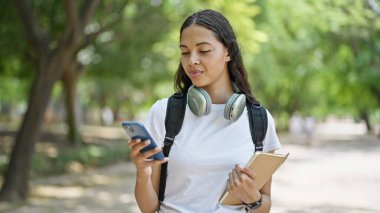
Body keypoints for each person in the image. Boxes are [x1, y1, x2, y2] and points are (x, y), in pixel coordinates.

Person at [128, 9, 281, 213]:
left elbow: (265, 204)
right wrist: (142, 174)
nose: (191, 60)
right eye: (184, 51)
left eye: (204, 50)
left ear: (228, 52)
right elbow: (149, 208)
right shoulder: (164, 113)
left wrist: (253, 198)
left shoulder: (259, 119)